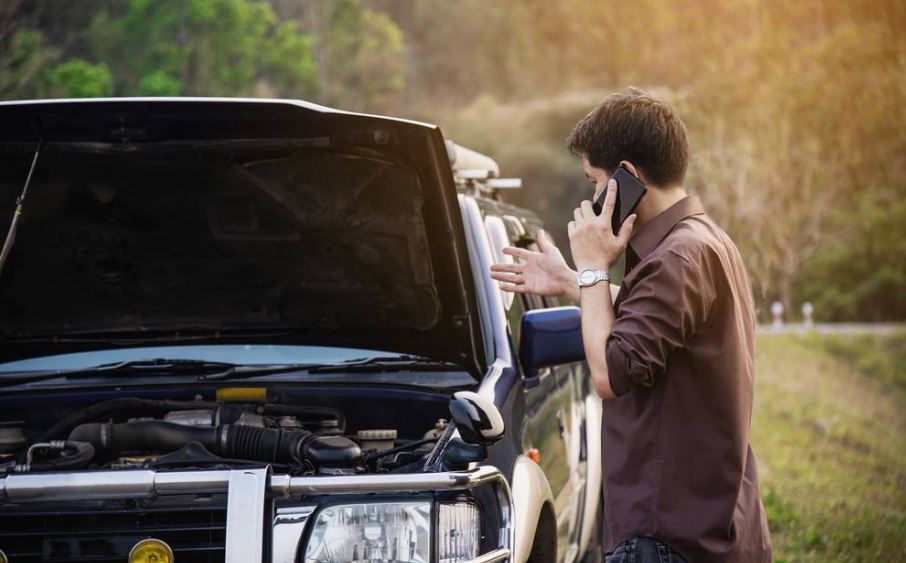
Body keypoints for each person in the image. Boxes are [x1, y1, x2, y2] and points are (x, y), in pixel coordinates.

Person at [490, 87, 772, 563]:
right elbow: (655, 318)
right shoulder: (702, 241)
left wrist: (595, 264)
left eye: (595, 182)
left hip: (667, 540)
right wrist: (571, 279)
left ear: (628, 178)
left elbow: (609, 372)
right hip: (712, 530)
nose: (594, 197)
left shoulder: (675, 258)